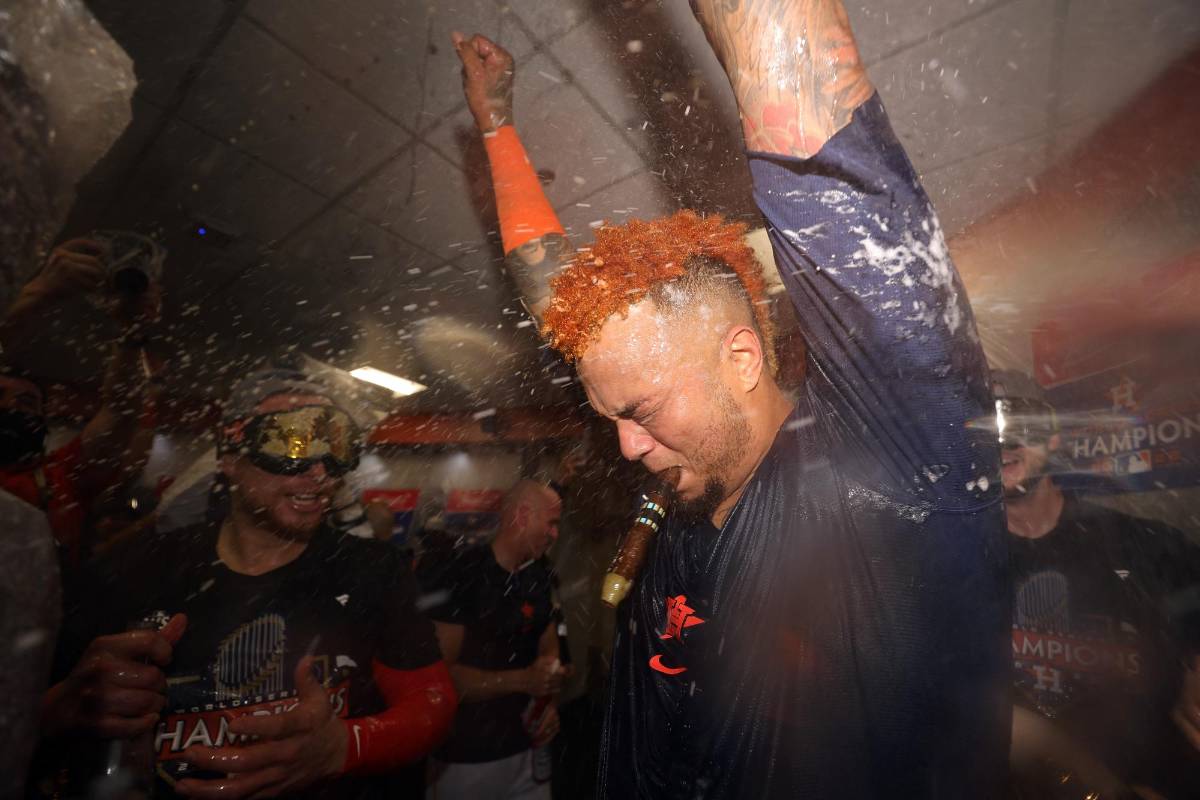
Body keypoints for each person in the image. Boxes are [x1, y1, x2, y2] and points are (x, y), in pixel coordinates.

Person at [452, 0, 1010, 795]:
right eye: (611, 419)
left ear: (743, 358)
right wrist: (497, 125)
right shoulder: (685, 499)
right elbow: (559, 304)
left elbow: (819, 144)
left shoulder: (890, 465)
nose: (626, 448)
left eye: (639, 413)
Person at [34, 367, 457, 799]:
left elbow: (432, 702)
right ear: (230, 459)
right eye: (289, 442)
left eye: (335, 444)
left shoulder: (371, 570)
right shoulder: (133, 570)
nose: (319, 471)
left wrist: (344, 748)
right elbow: (34, 708)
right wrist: (64, 711)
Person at [993, 370, 1200, 798]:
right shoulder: (960, 570)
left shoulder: (1144, 544)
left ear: (1052, 438)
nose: (1004, 444)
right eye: (988, 429)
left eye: (1020, 426)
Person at [0, 237, 158, 568]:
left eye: (26, 402)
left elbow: (120, 410)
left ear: (43, 419)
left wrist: (133, 336)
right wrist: (35, 295)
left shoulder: (59, 478)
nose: (11, 407)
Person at [417, 480, 566, 800]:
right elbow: (440, 678)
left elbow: (551, 654)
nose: (555, 534)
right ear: (524, 515)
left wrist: (549, 703)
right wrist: (523, 680)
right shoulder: (460, 572)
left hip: (529, 754)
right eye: (551, 523)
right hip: (465, 757)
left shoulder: (539, 576)